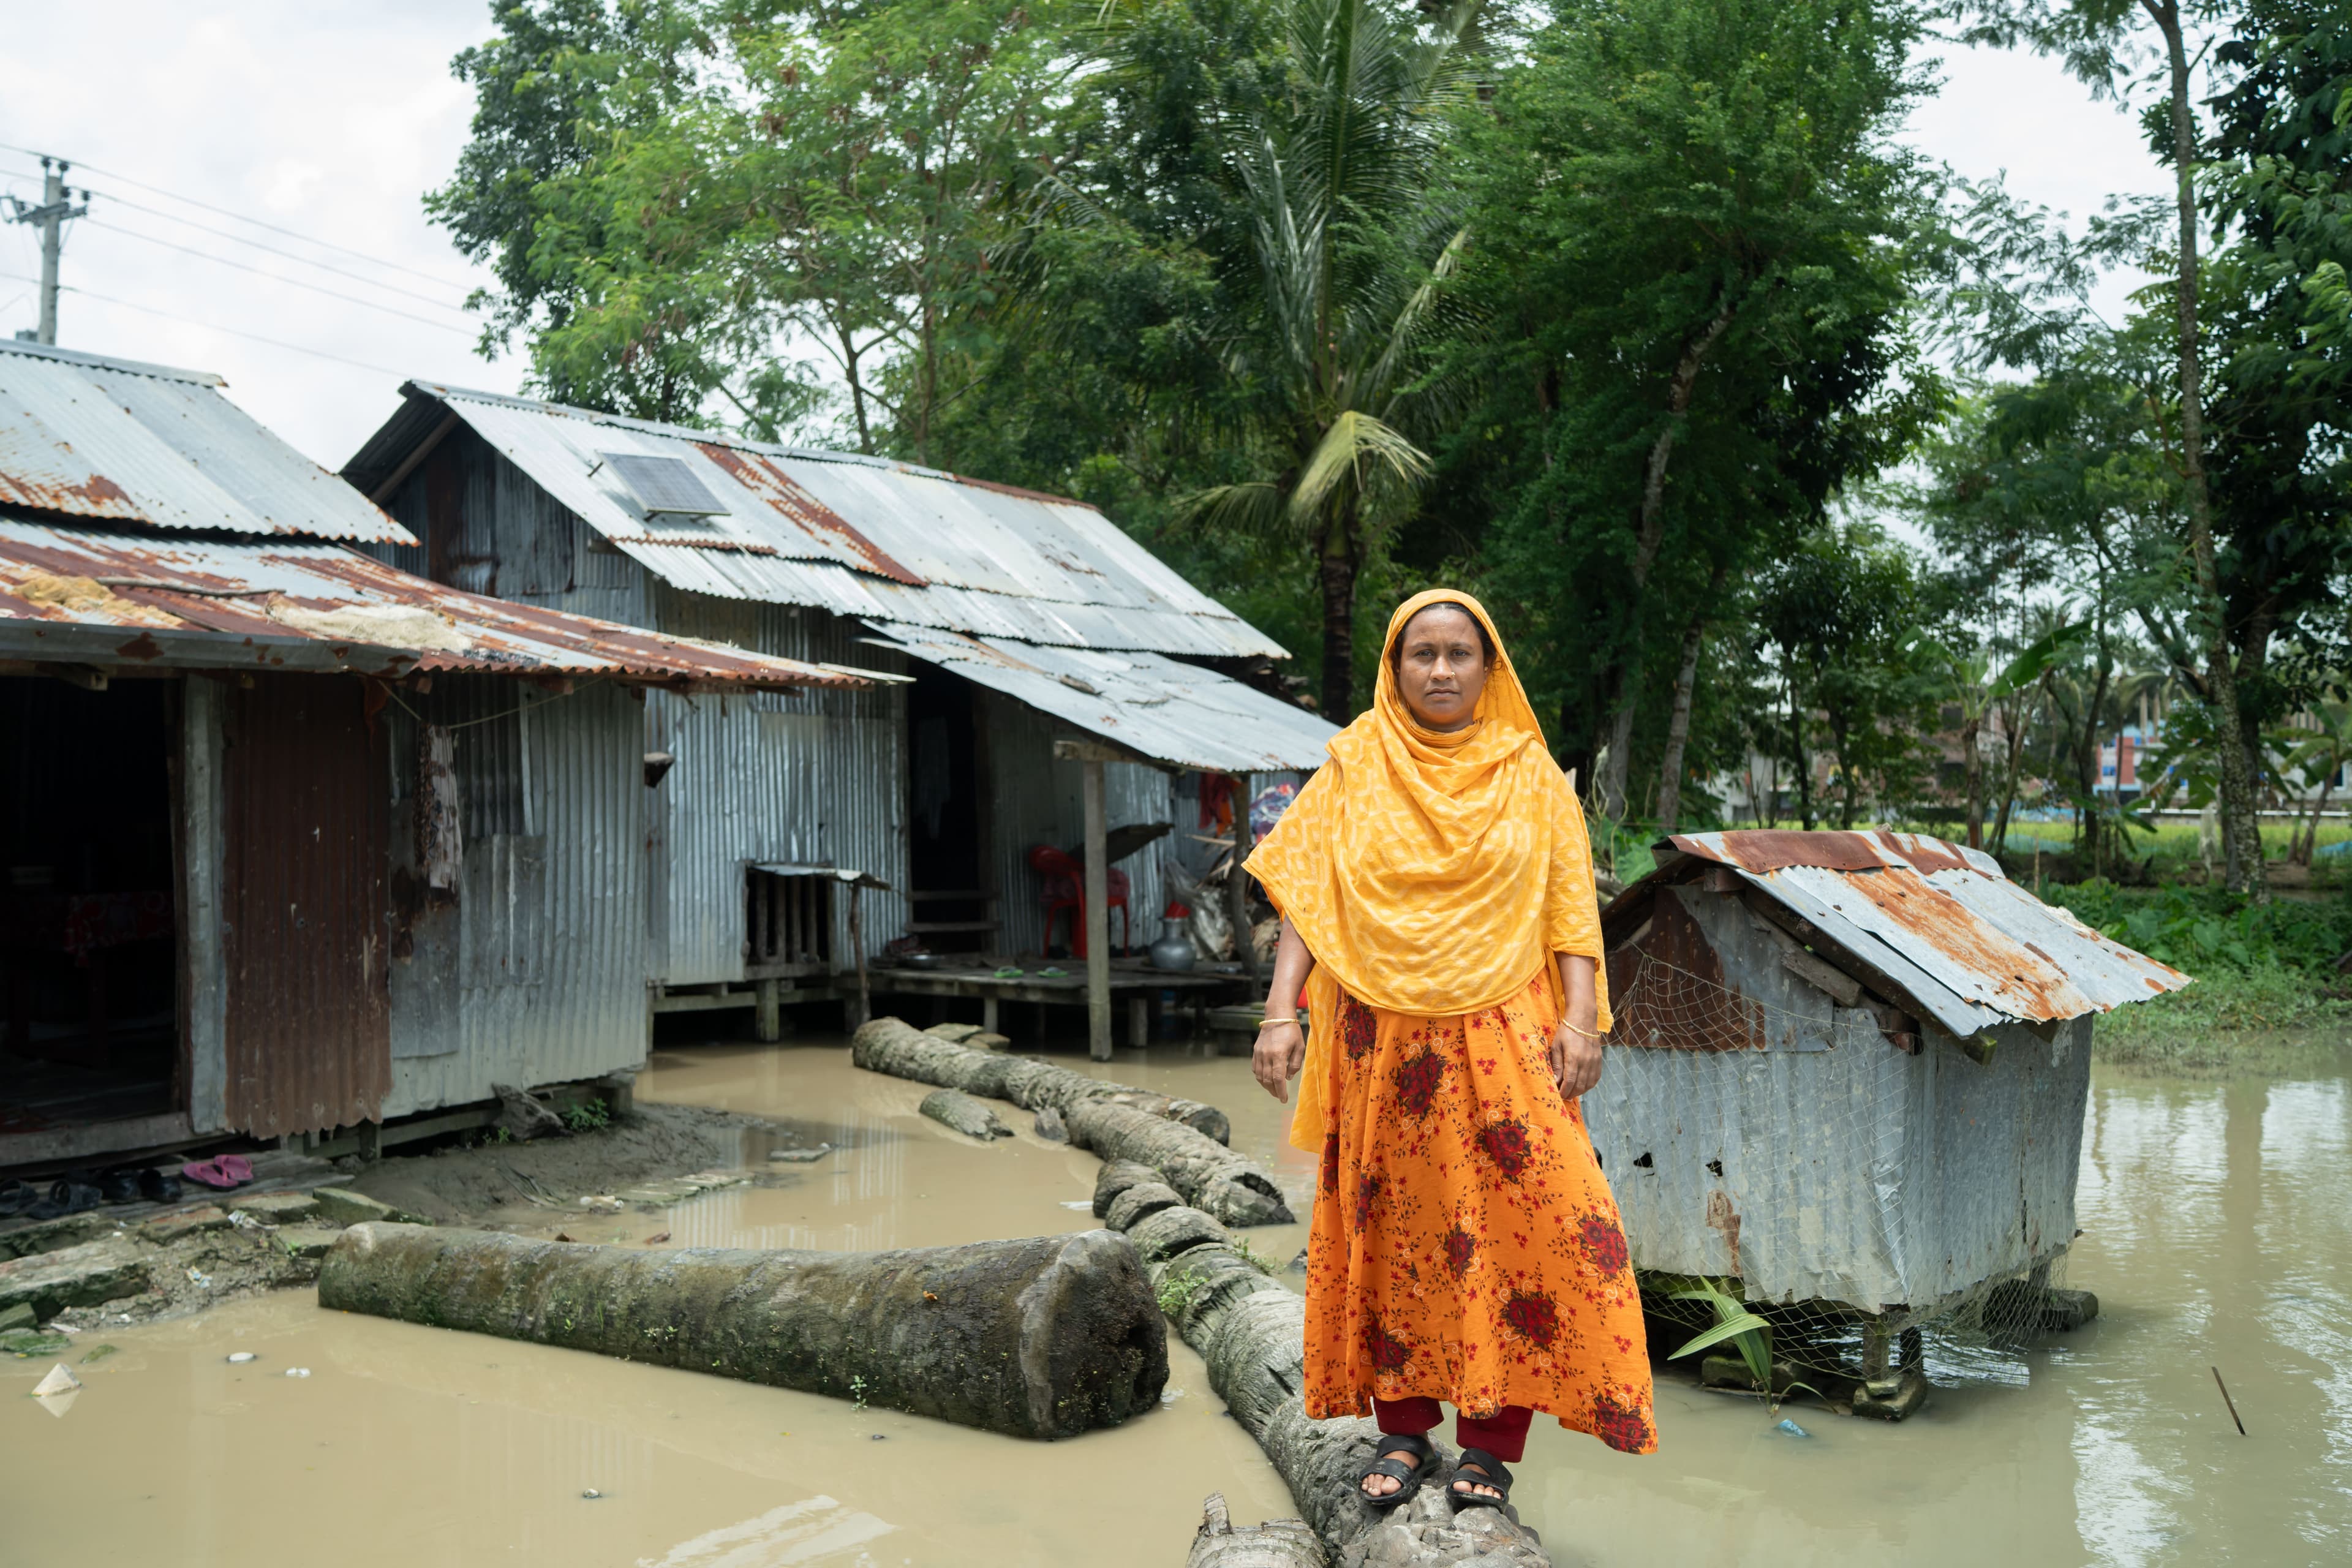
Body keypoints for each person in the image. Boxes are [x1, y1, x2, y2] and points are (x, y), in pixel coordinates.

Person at [1243, 590, 1656, 1513]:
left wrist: (1582, 1022)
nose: (1439, 670)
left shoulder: (1529, 772)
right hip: (1378, 1040)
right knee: (1392, 1228)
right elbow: (1307, 897)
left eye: (1458, 653)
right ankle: (1403, 1430)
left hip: (1504, 1029)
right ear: (1393, 669)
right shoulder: (1354, 763)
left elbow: (1569, 906)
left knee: (1532, 1221)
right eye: (1420, 654)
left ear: (1488, 667)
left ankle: (1492, 1448)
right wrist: (1279, 1014)